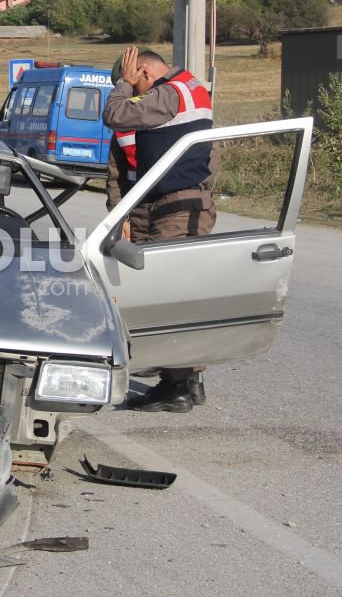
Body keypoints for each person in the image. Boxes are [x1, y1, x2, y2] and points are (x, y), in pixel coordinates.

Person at [102, 46, 216, 413]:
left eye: (134, 83)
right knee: (162, 293)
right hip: (146, 206)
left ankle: (177, 387)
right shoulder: (160, 101)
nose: (131, 93)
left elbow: (114, 113)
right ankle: (185, 379)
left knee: (171, 295)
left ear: (146, 73)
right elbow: (118, 173)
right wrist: (119, 217)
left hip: (177, 206)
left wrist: (124, 84)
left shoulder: (172, 91)